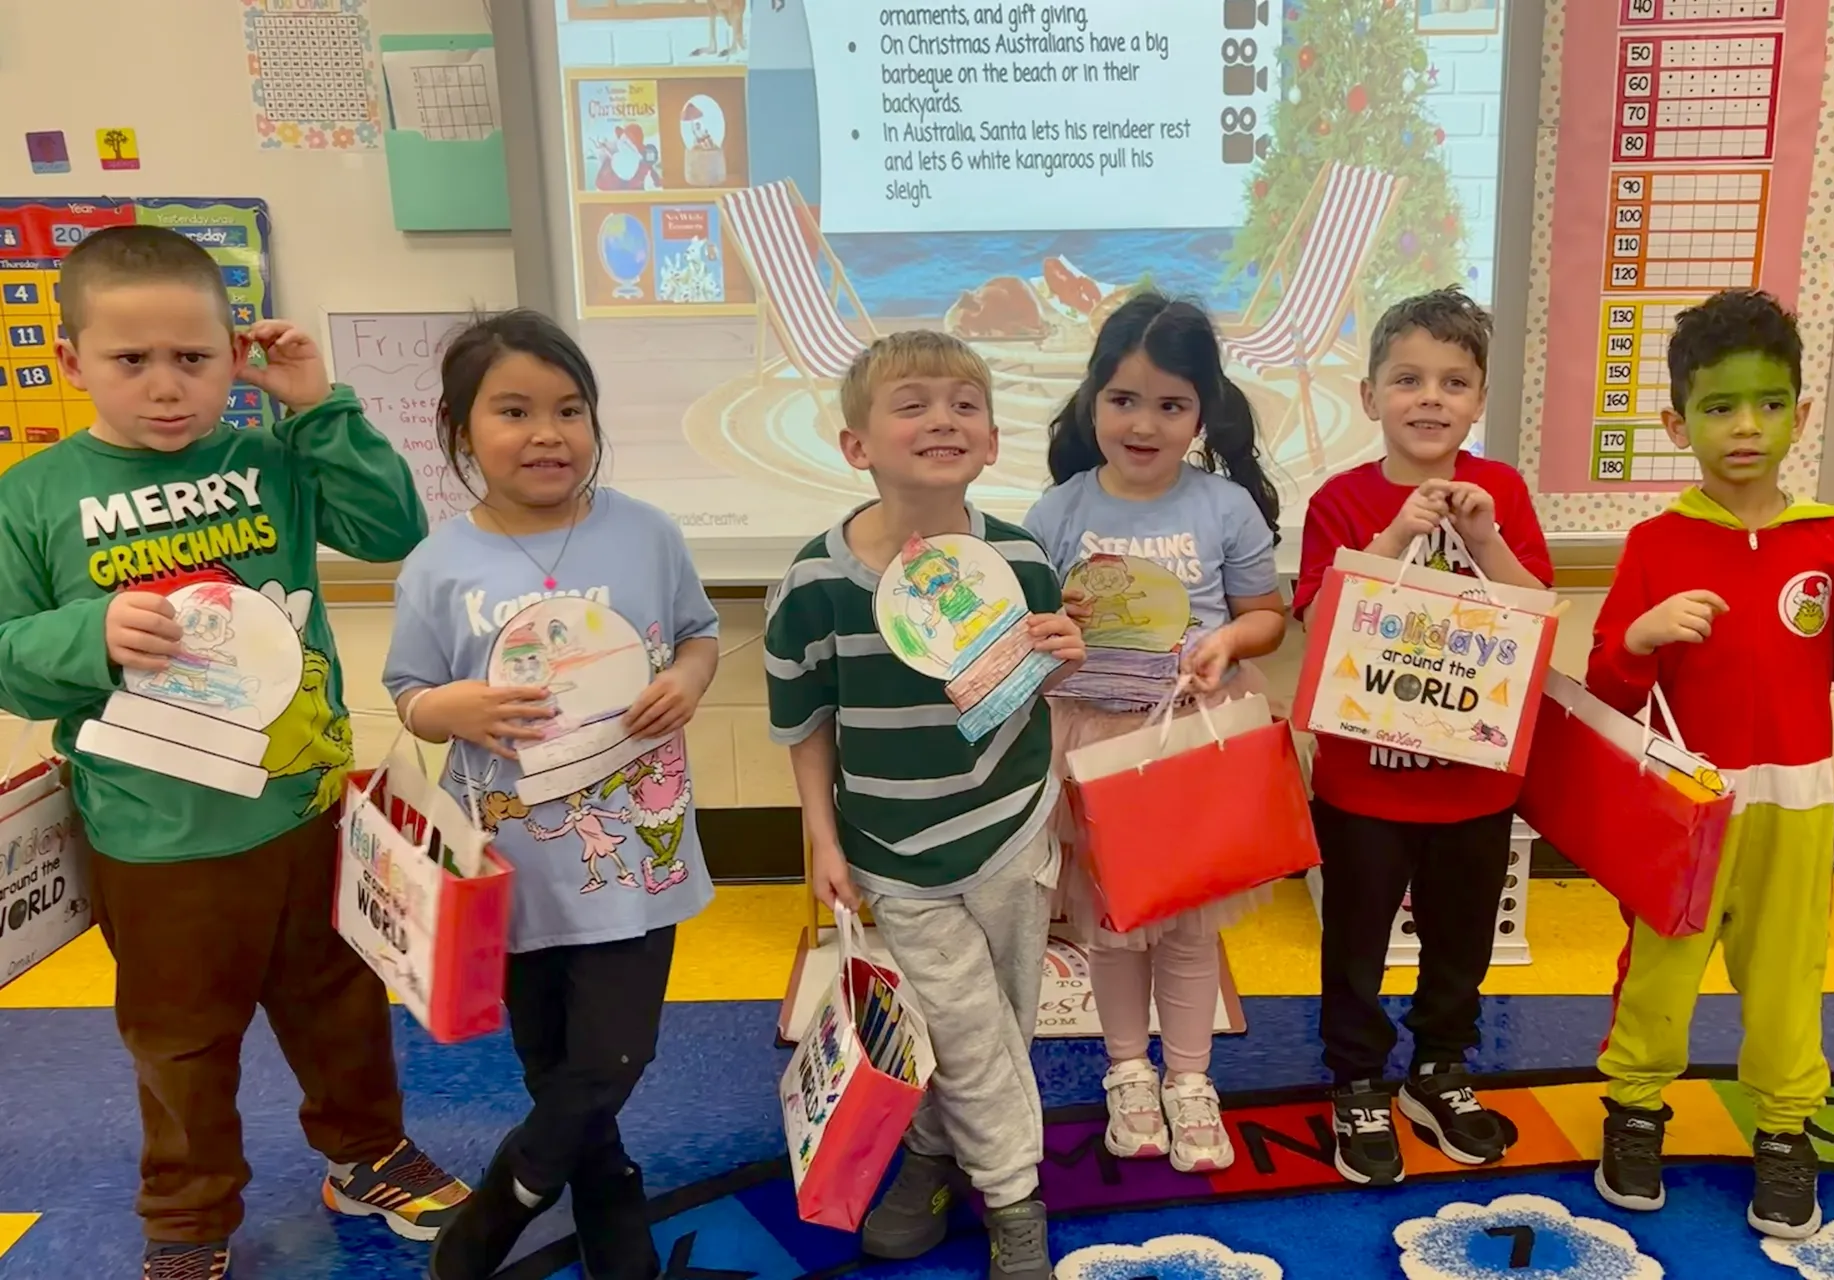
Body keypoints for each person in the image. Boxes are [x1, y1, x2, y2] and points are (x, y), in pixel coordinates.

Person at [0, 225, 466, 1279]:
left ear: (233, 357)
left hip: (302, 806)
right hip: (154, 833)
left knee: (339, 998)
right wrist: (89, 638)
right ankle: (188, 1214)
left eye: (194, 359)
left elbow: (392, 527)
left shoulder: (269, 453)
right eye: (131, 361)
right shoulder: (31, 494)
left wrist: (318, 404)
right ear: (71, 362)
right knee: (179, 1040)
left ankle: (367, 1152)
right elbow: (5, 658)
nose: (167, 387)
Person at [381, 311, 721, 1280]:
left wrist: (691, 680)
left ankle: (510, 1192)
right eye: (514, 410)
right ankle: (606, 1183)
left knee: (615, 1054)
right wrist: (457, 706)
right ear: (459, 428)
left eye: (569, 409)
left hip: (635, 850)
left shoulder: (645, 531)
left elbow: (697, 632)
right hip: (510, 861)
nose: (547, 432)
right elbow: (410, 697)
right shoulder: (439, 562)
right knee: (549, 1056)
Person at [1585, 289, 1834, 1239]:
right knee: (1662, 968)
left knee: (1786, 975)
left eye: (1769, 404)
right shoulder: (1657, 543)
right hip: (1688, 809)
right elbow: (1607, 683)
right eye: (1720, 406)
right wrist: (1641, 638)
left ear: (1801, 413)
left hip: (1799, 806)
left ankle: (1783, 1130)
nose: (1746, 426)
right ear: (1676, 420)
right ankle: (1635, 1110)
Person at [763, 330, 1085, 1280]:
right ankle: (1017, 1199)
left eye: (963, 405)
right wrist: (821, 838)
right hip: (892, 850)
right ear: (856, 444)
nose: (942, 418)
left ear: (990, 442)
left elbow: (1021, 697)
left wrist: (1060, 655)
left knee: (1001, 1023)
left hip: (1008, 830)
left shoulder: (1021, 560)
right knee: (963, 1027)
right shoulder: (815, 584)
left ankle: (935, 1154)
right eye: (911, 404)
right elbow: (806, 723)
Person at [1291, 285, 1553, 1188]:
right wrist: (1392, 532)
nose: (1430, 397)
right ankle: (1358, 1078)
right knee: (1356, 939)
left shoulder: (1504, 490)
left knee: (1460, 939)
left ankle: (1439, 1067)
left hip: (1476, 780)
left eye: (1453, 380)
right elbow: (1319, 618)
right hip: (1365, 784)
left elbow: (1533, 614)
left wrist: (1485, 541)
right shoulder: (1339, 500)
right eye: (1407, 379)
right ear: (1370, 397)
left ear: (1480, 399)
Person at [1022, 293, 1287, 1173]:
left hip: (1190, 740)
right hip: (1090, 743)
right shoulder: (1056, 512)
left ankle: (1190, 1079)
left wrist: (1226, 642)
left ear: (1202, 411)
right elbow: (1026, 631)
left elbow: (1266, 618)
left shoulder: (1223, 508)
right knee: (1109, 916)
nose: (1144, 424)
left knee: (1186, 922)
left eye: (1171, 405)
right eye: (1124, 400)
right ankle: (1127, 1072)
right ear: (1093, 399)